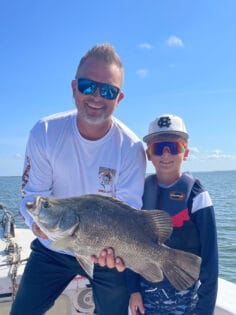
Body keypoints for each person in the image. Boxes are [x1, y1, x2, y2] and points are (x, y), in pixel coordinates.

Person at [10, 43, 146, 315]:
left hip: (105, 253)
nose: (96, 96)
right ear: (74, 87)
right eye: (87, 86)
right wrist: (36, 227)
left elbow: (127, 214)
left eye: (108, 90)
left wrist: (118, 252)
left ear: (119, 99)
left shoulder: (131, 148)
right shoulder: (45, 132)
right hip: (53, 246)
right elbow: (32, 196)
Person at [127, 114, 218, 315]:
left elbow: (210, 261)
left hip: (185, 303)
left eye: (173, 147)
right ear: (148, 154)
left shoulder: (198, 196)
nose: (166, 155)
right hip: (145, 299)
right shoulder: (138, 194)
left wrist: (205, 310)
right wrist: (133, 290)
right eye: (158, 148)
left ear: (185, 152)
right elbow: (131, 248)